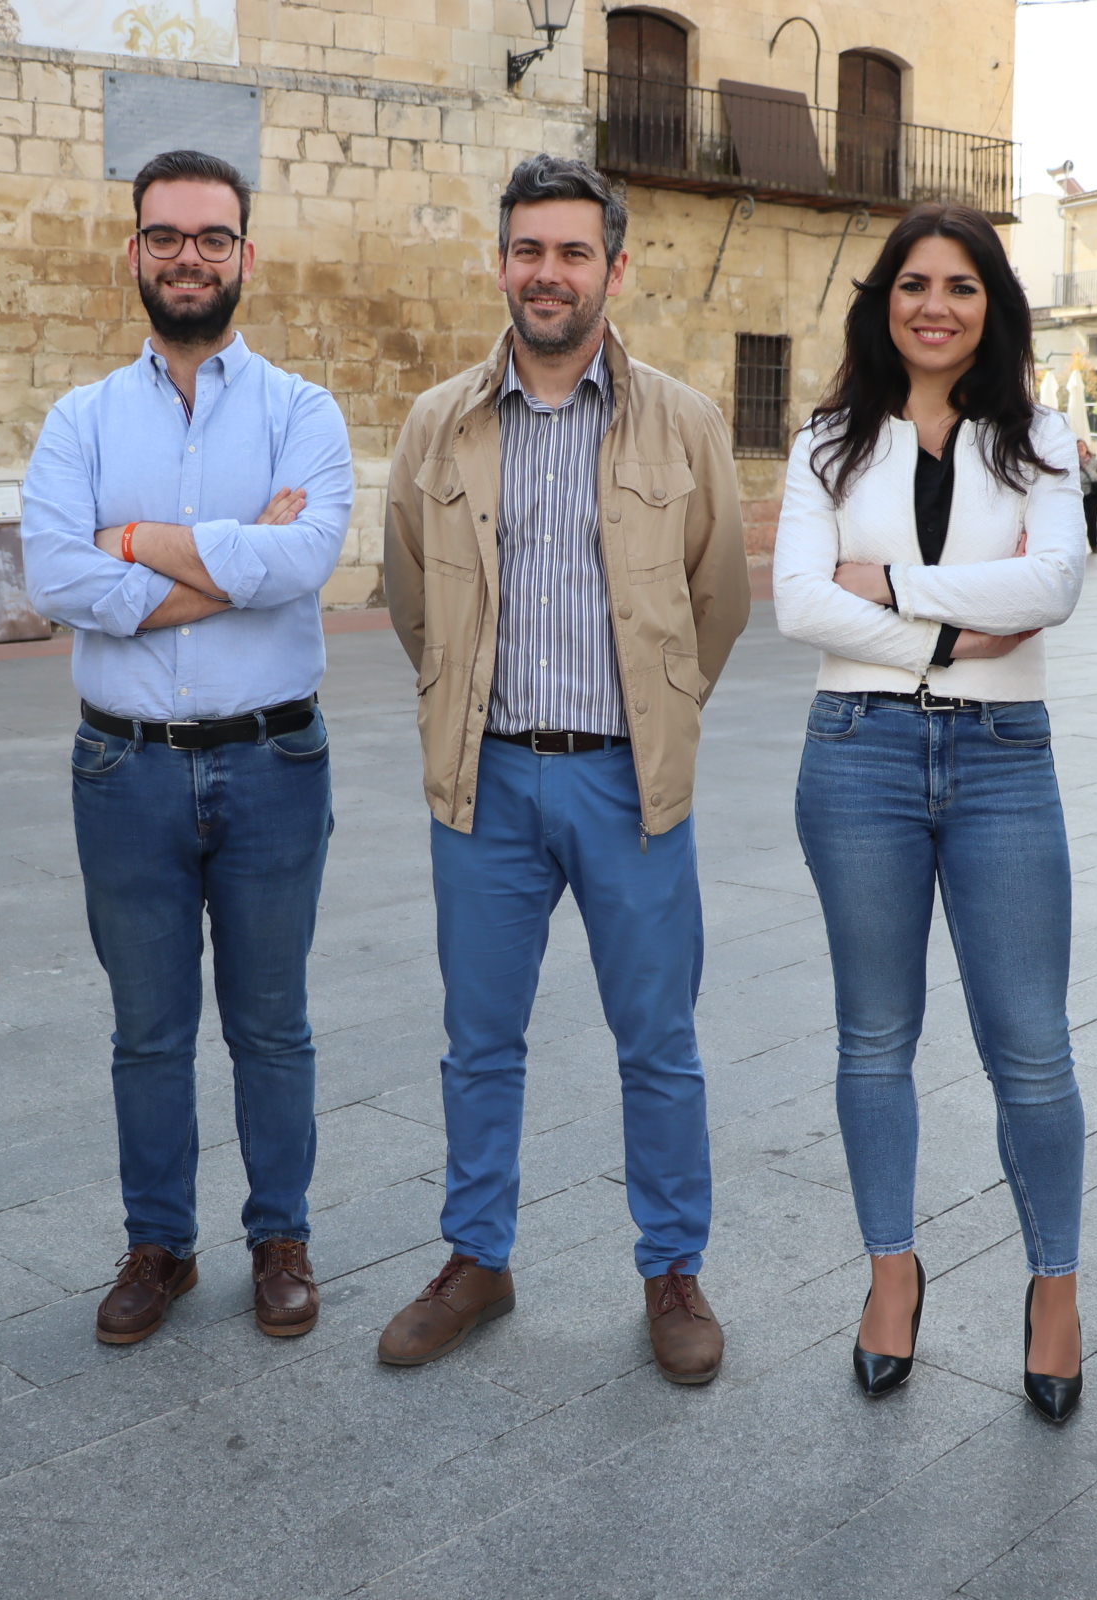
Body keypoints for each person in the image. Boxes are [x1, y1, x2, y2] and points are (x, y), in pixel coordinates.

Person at [380, 155, 749, 1384]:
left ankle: (672, 1270)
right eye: (528, 250)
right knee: (477, 1039)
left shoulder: (684, 423)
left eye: (573, 252)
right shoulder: (438, 422)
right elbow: (410, 594)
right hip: (482, 785)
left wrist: (662, 708)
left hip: (625, 784)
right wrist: (463, 703)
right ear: (501, 263)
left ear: (614, 269)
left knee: (660, 1042)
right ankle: (476, 1257)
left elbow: (719, 600)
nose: (548, 273)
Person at [21, 150, 354, 1347]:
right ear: (135, 254)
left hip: (273, 762)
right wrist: (225, 564)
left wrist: (144, 541)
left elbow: (304, 563)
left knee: (272, 1023)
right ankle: (158, 1243)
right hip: (124, 769)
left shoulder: (304, 414)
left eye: (213, 237)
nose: (189, 257)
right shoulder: (80, 419)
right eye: (166, 236)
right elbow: (55, 572)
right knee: (147, 1028)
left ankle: (282, 1238)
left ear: (246, 256)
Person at [772, 204, 1089, 1410]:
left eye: (960, 285)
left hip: (1008, 759)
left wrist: (897, 588)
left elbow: (1054, 581)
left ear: (990, 303)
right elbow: (799, 603)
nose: (935, 306)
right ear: (885, 301)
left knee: (1035, 1051)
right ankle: (890, 1275)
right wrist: (961, 630)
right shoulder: (827, 442)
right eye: (915, 284)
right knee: (873, 1038)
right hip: (857, 756)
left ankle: (1053, 1288)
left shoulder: (1042, 439)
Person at [1075, 438, 1097, 555]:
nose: (1080, 448)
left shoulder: (1094, 461)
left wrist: (1084, 467)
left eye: (1082, 446)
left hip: (1092, 494)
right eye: (1078, 446)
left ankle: (1094, 544)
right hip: (1078, 495)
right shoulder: (1072, 461)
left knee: (1092, 520)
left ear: (1087, 447)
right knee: (1078, 522)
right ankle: (1078, 546)